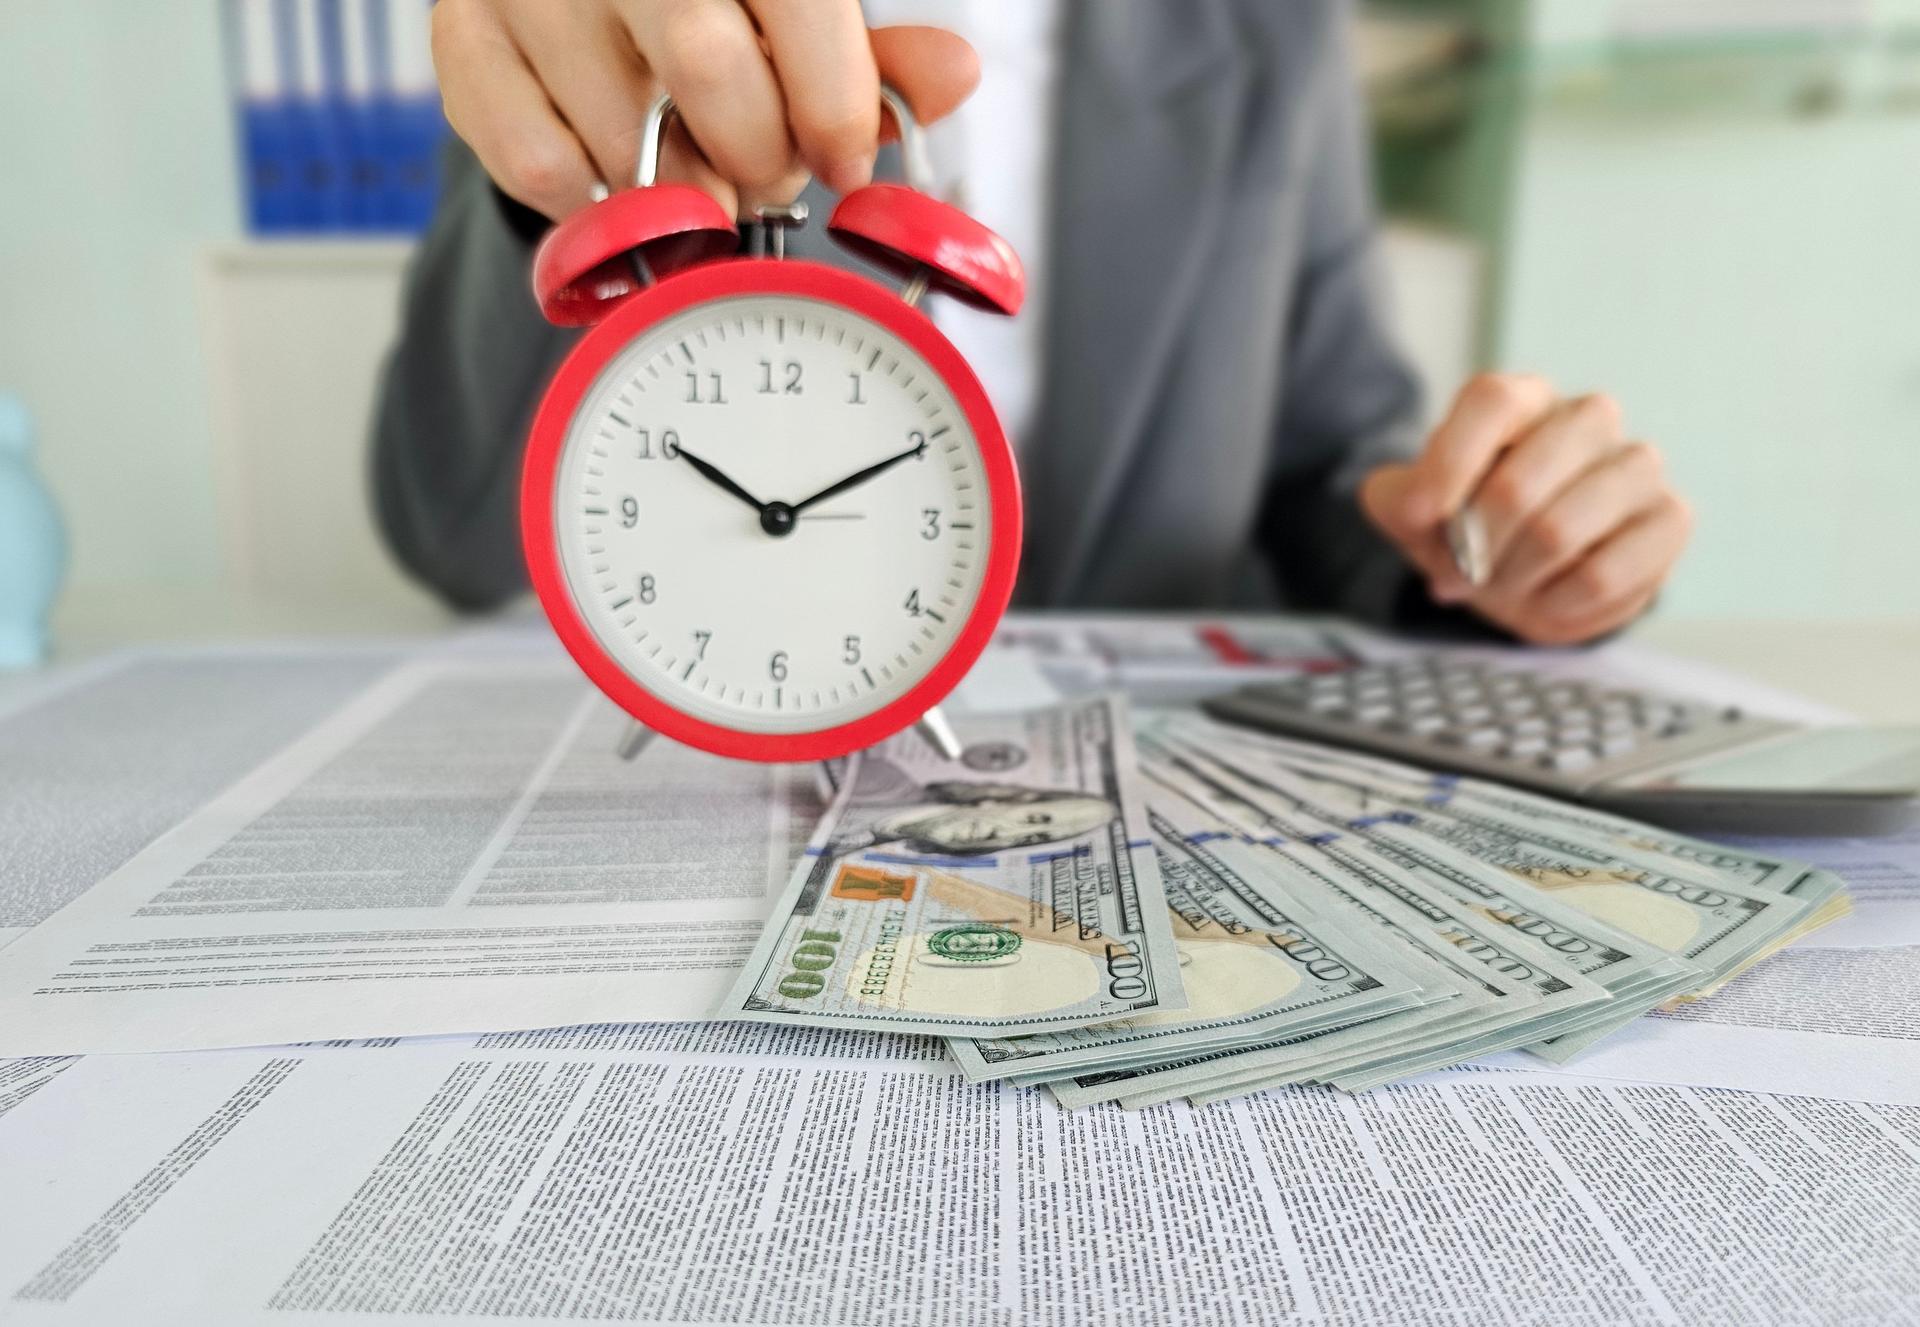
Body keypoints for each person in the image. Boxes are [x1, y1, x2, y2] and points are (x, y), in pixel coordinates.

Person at [376, 0, 1692, 646]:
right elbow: (456, 536)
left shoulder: (1268, 33)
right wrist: (561, 177)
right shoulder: (612, 23)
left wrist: (1485, 538)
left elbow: (1331, 470)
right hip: (724, 724)